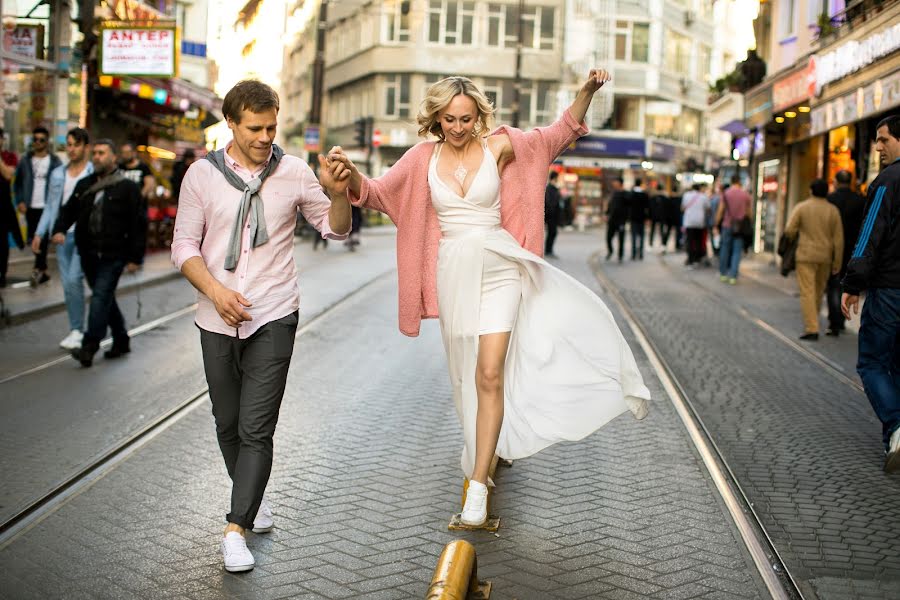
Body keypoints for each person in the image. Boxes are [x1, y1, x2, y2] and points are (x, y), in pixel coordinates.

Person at [328, 70, 650, 527]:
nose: (458, 127)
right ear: (437, 119)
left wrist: (586, 93)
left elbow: (556, 136)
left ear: (479, 116)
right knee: (465, 378)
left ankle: (478, 486)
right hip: (452, 272)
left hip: (500, 266)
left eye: (466, 118)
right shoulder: (422, 158)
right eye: (450, 120)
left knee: (489, 372)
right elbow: (377, 194)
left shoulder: (499, 146)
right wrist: (348, 174)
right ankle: (486, 449)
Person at [170, 80, 351, 572]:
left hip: (274, 313)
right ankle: (252, 499)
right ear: (230, 123)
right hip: (215, 315)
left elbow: (335, 228)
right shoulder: (200, 177)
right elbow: (183, 246)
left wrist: (337, 195)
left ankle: (235, 527)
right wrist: (216, 291)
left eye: (272, 127)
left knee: (255, 428)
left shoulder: (293, 172)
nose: (265, 136)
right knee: (226, 423)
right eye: (255, 128)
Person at [841, 114, 900, 473]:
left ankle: (896, 426)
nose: (877, 147)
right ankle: (892, 443)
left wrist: (852, 284)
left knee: (873, 363)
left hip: (890, 290)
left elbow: (869, 236)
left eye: (884, 140)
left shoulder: (888, 181)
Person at [53, 139, 145, 367]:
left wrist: (135, 257)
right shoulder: (84, 185)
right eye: (94, 153)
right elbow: (69, 210)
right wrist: (60, 229)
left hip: (114, 255)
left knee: (99, 297)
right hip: (89, 254)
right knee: (104, 298)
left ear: (114, 157)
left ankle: (89, 345)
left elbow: (137, 224)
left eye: (102, 153)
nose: (96, 157)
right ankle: (121, 339)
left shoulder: (127, 188)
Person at [33, 128, 94, 350]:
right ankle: (76, 329)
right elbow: (50, 207)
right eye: (68, 144)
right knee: (68, 285)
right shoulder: (58, 174)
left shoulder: (92, 173)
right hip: (61, 236)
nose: (71, 149)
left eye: (76, 144)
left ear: (86, 147)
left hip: (83, 235)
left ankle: (79, 330)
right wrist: (40, 233)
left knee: (73, 280)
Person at [784, 179, 843, 340]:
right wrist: (837, 261)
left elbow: (789, 230)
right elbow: (838, 239)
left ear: (811, 190)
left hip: (805, 254)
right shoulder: (833, 210)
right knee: (818, 291)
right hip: (825, 256)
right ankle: (813, 322)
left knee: (807, 291)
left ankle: (812, 327)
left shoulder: (802, 207)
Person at [14, 126, 62, 287]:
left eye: (41, 140)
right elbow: (18, 183)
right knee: (34, 237)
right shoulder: (25, 160)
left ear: (47, 142)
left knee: (43, 238)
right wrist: (20, 200)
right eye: (35, 139)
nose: (38, 142)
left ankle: (38, 268)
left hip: (47, 206)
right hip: (31, 205)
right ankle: (43, 269)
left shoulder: (55, 161)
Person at [825, 170, 865, 336]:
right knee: (844, 283)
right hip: (853, 249)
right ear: (851, 181)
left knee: (833, 285)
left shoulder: (830, 200)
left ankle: (835, 322)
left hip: (832, 248)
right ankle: (841, 318)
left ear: (835, 181)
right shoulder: (859, 200)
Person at [715, 174, 751, 284]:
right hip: (740, 227)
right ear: (739, 181)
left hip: (727, 225)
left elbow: (720, 211)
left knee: (725, 249)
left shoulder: (726, 193)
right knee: (737, 251)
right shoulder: (745, 195)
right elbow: (749, 213)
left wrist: (716, 224)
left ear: (731, 181)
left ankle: (723, 274)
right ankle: (733, 276)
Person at [0, 128, 23, 288]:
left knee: (2, 242)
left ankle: (2, 273)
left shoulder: (10, 156)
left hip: (3, 205)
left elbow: (8, 174)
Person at [681, 183, 709, 267]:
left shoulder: (686, 195)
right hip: (700, 222)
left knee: (689, 241)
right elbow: (708, 209)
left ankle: (690, 259)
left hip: (689, 222)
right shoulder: (703, 197)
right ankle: (697, 258)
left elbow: (682, 208)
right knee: (698, 241)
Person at [605, 177, 628, 262]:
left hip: (621, 220)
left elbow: (628, 207)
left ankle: (620, 255)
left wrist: (625, 219)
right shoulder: (614, 193)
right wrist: (607, 214)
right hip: (612, 220)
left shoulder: (625, 194)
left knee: (621, 239)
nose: (614, 183)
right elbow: (610, 205)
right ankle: (610, 251)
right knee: (608, 237)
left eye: (615, 182)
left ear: (620, 183)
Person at [628, 178, 649, 260]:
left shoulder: (631, 194)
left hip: (633, 218)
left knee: (633, 236)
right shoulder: (644, 194)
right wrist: (647, 218)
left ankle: (633, 254)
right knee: (641, 236)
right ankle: (640, 254)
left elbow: (628, 206)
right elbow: (647, 207)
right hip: (642, 218)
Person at [544, 170, 561, 258]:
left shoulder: (554, 188)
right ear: (554, 178)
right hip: (551, 215)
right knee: (552, 232)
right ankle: (548, 250)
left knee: (552, 233)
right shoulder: (550, 188)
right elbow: (550, 202)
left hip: (553, 215)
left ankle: (549, 250)